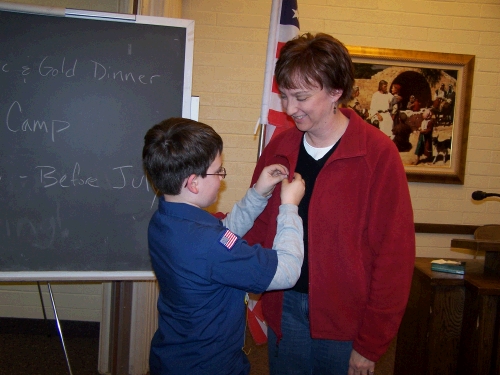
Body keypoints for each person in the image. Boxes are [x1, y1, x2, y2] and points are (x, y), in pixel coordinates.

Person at [244, 33, 415, 375]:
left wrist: (370, 344)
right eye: (285, 96)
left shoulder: (378, 155)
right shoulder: (281, 145)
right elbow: (257, 223)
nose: (290, 109)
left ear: (336, 92)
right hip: (285, 305)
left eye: (302, 97)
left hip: (347, 321)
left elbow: (394, 257)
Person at [142, 117, 306, 375]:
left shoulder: (165, 219)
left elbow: (223, 234)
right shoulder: (207, 244)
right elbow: (287, 269)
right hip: (209, 364)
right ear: (194, 183)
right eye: (218, 171)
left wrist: (258, 192)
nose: (221, 178)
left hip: (175, 355)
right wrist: (289, 206)